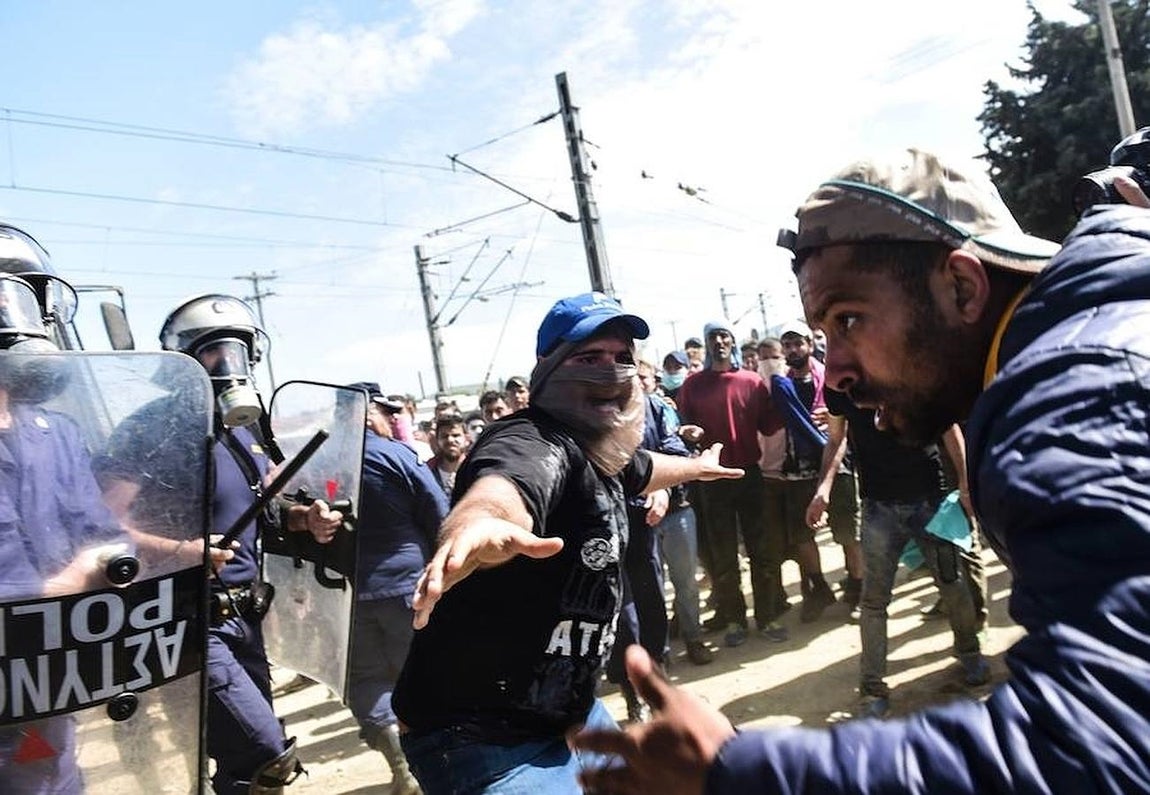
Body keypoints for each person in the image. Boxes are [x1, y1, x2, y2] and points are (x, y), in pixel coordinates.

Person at [575, 148, 1150, 793]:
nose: (838, 372)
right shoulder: (1085, 345)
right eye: (825, 331)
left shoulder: (1075, 406)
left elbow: (1110, 746)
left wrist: (741, 773)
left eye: (849, 320)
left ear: (962, 286)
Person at [391, 291, 742, 794]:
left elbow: (641, 470)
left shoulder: (602, 450)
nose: (611, 372)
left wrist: (697, 468)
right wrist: (480, 527)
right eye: (589, 358)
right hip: (481, 739)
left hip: (575, 714)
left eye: (622, 358)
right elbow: (507, 482)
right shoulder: (532, 438)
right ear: (549, 367)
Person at [143, 294, 341, 795]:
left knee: (241, 767)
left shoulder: (247, 426)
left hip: (245, 618)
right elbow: (104, 526)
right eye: (212, 350)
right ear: (183, 362)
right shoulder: (152, 429)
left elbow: (263, 507)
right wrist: (183, 552)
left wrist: (303, 519)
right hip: (188, 621)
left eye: (237, 348)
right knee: (266, 752)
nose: (226, 363)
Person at [807, 390, 987, 719]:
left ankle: (969, 651)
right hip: (878, 508)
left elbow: (948, 428)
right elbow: (836, 439)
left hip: (930, 502)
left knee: (952, 582)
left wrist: (964, 484)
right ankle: (872, 685)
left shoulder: (906, 366)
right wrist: (824, 488)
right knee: (874, 601)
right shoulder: (839, 385)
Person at [346, 381, 449, 795]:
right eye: (386, 413)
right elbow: (439, 514)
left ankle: (400, 765)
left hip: (348, 595)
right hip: (408, 587)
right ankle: (436, 765)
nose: (393, 420)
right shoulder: (397, 456)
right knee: (424, 675)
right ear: (368, 415)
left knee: (366, 680)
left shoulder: (320, 462)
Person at [675, 319, 781, 646]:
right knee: (723, 554)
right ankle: (735, 620)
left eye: (725, 336)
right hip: (712, 478)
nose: (720, 341)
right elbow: (681, 430)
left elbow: (769, 426)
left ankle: (766, 619)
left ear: (732, 341)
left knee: (761, 550)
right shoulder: (693, 385)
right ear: (707, 345)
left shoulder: (752, 381)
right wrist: (687, 433)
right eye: (714, 337)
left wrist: (784, 395)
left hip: (749, 473)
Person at [426, 412, 468, 497]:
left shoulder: (477, 468)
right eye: (444, 436)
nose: (450, 440)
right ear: (437, 440)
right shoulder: (426, 472)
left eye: (455, 435)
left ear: (467, 439)